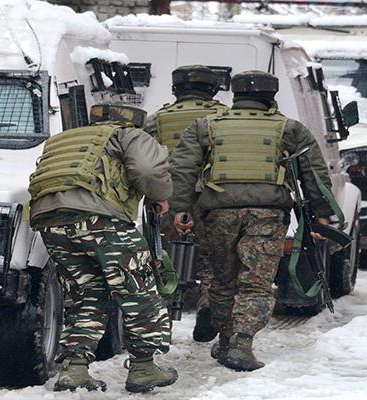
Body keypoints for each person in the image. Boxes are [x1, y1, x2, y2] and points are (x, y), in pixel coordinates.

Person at [169, 70, 334, 371]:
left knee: (222, 281)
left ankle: (226, 338)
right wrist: (322, 213)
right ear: (271, 96)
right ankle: (242, 345)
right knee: (255, 282)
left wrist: (180, 208)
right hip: (267, 214)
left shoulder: (205, 126)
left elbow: (182, 169)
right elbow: (314, 173)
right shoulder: (289, 128)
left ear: (235, 95)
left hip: (217, 214)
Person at [28, 103, 176, 393]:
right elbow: (147, 170)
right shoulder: (128, 135)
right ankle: (144, 367)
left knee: (86, 293)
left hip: (51, 222)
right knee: (138, 289)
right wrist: (161, 195)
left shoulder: (65, 139)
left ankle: (74, 368)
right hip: (101, 221)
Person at [144, 65, 228, 342]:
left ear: (175, 90)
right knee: (214, 263)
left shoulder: (157, 120)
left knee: (161, 260)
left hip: (167, 200)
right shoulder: (224, 118)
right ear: (213, 90)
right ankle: (207, 306)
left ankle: (162, 322)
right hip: (213, 199)